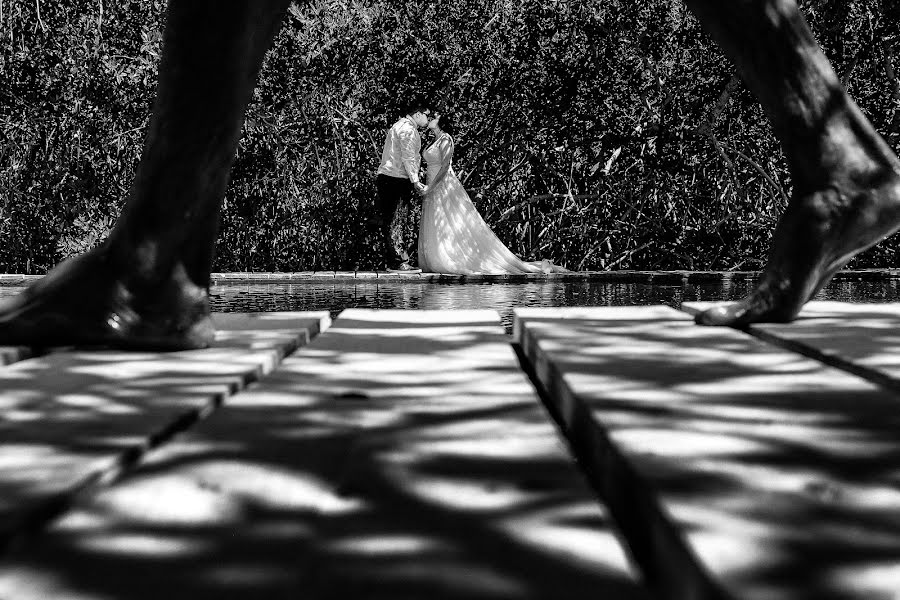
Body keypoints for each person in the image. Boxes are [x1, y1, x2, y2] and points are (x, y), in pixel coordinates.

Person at [0, 0, 898, 350]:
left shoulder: (422, 130)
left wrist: (427, 175)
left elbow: (426, 167)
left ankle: (152, 255)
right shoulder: (414, 128)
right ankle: (154, 252)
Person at [418, 112, 568, 274]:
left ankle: (450, 257)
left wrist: (431, 186)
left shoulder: (446, 139)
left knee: (450, 221)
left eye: (434, 117)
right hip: (431, 184)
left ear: (442, 121)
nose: (431, 119)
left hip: (442, 185)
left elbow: (445, 166)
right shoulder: (434, 140)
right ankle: (436, 256)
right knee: (436, 220)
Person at [375, 104, 430, 273]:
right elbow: (408, 157)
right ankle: (399, 262)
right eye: (426, 115)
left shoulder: (399, 125)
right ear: (418, 114)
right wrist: (415, 181)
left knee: (392, 219)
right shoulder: (407, 130)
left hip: (390, 178)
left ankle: (394, 260)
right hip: (396, 178)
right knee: (397, 219)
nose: (427, 119)